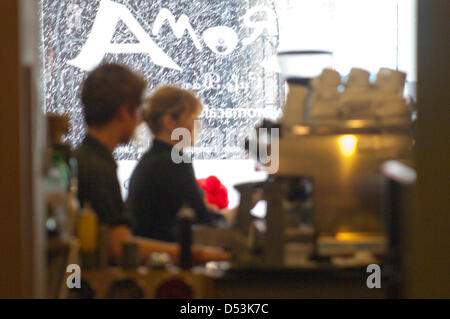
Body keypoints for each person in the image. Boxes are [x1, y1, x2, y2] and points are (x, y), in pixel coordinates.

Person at [75, 63, 229, 265]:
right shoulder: (98, 168)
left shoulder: (88, 159)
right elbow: (119, 246)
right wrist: (199, 254)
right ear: (123, 112)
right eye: (136, 112)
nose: (140, 122)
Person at [126, 85, 235, 242]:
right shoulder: (173, 163)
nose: (197, 126)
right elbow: (203, 221)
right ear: (169, 122)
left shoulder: (153, 160)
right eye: (192, 119)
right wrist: (231, 215)